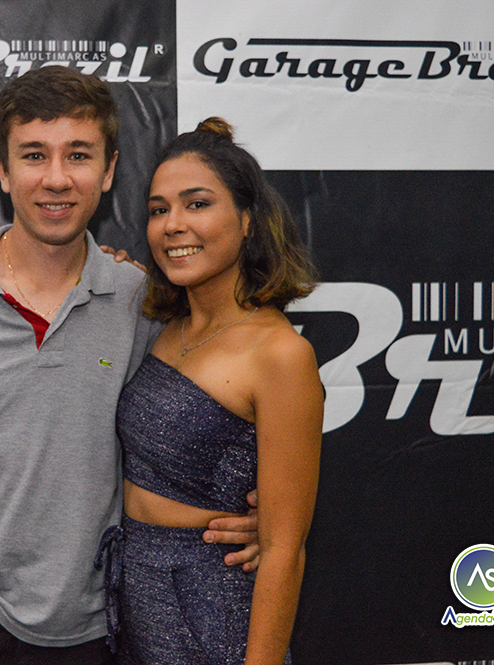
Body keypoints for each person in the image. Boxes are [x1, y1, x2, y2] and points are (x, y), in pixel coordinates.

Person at [0, 69, 261, 665]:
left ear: (108, 171)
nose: (56, 178)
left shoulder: (143, 300)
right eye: (34, 155)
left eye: (78, 155)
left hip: (91, 625)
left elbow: (205, 419)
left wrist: (257, 519)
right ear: (3, 171)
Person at [102, 118, 323, 664]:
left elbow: (283, 550)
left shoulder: (280, 354)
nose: (173, 225)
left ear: (248, 220)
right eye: (158, 210)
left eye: (197, 204)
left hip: (213, 607)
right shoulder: (164, 327)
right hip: (136, 597)